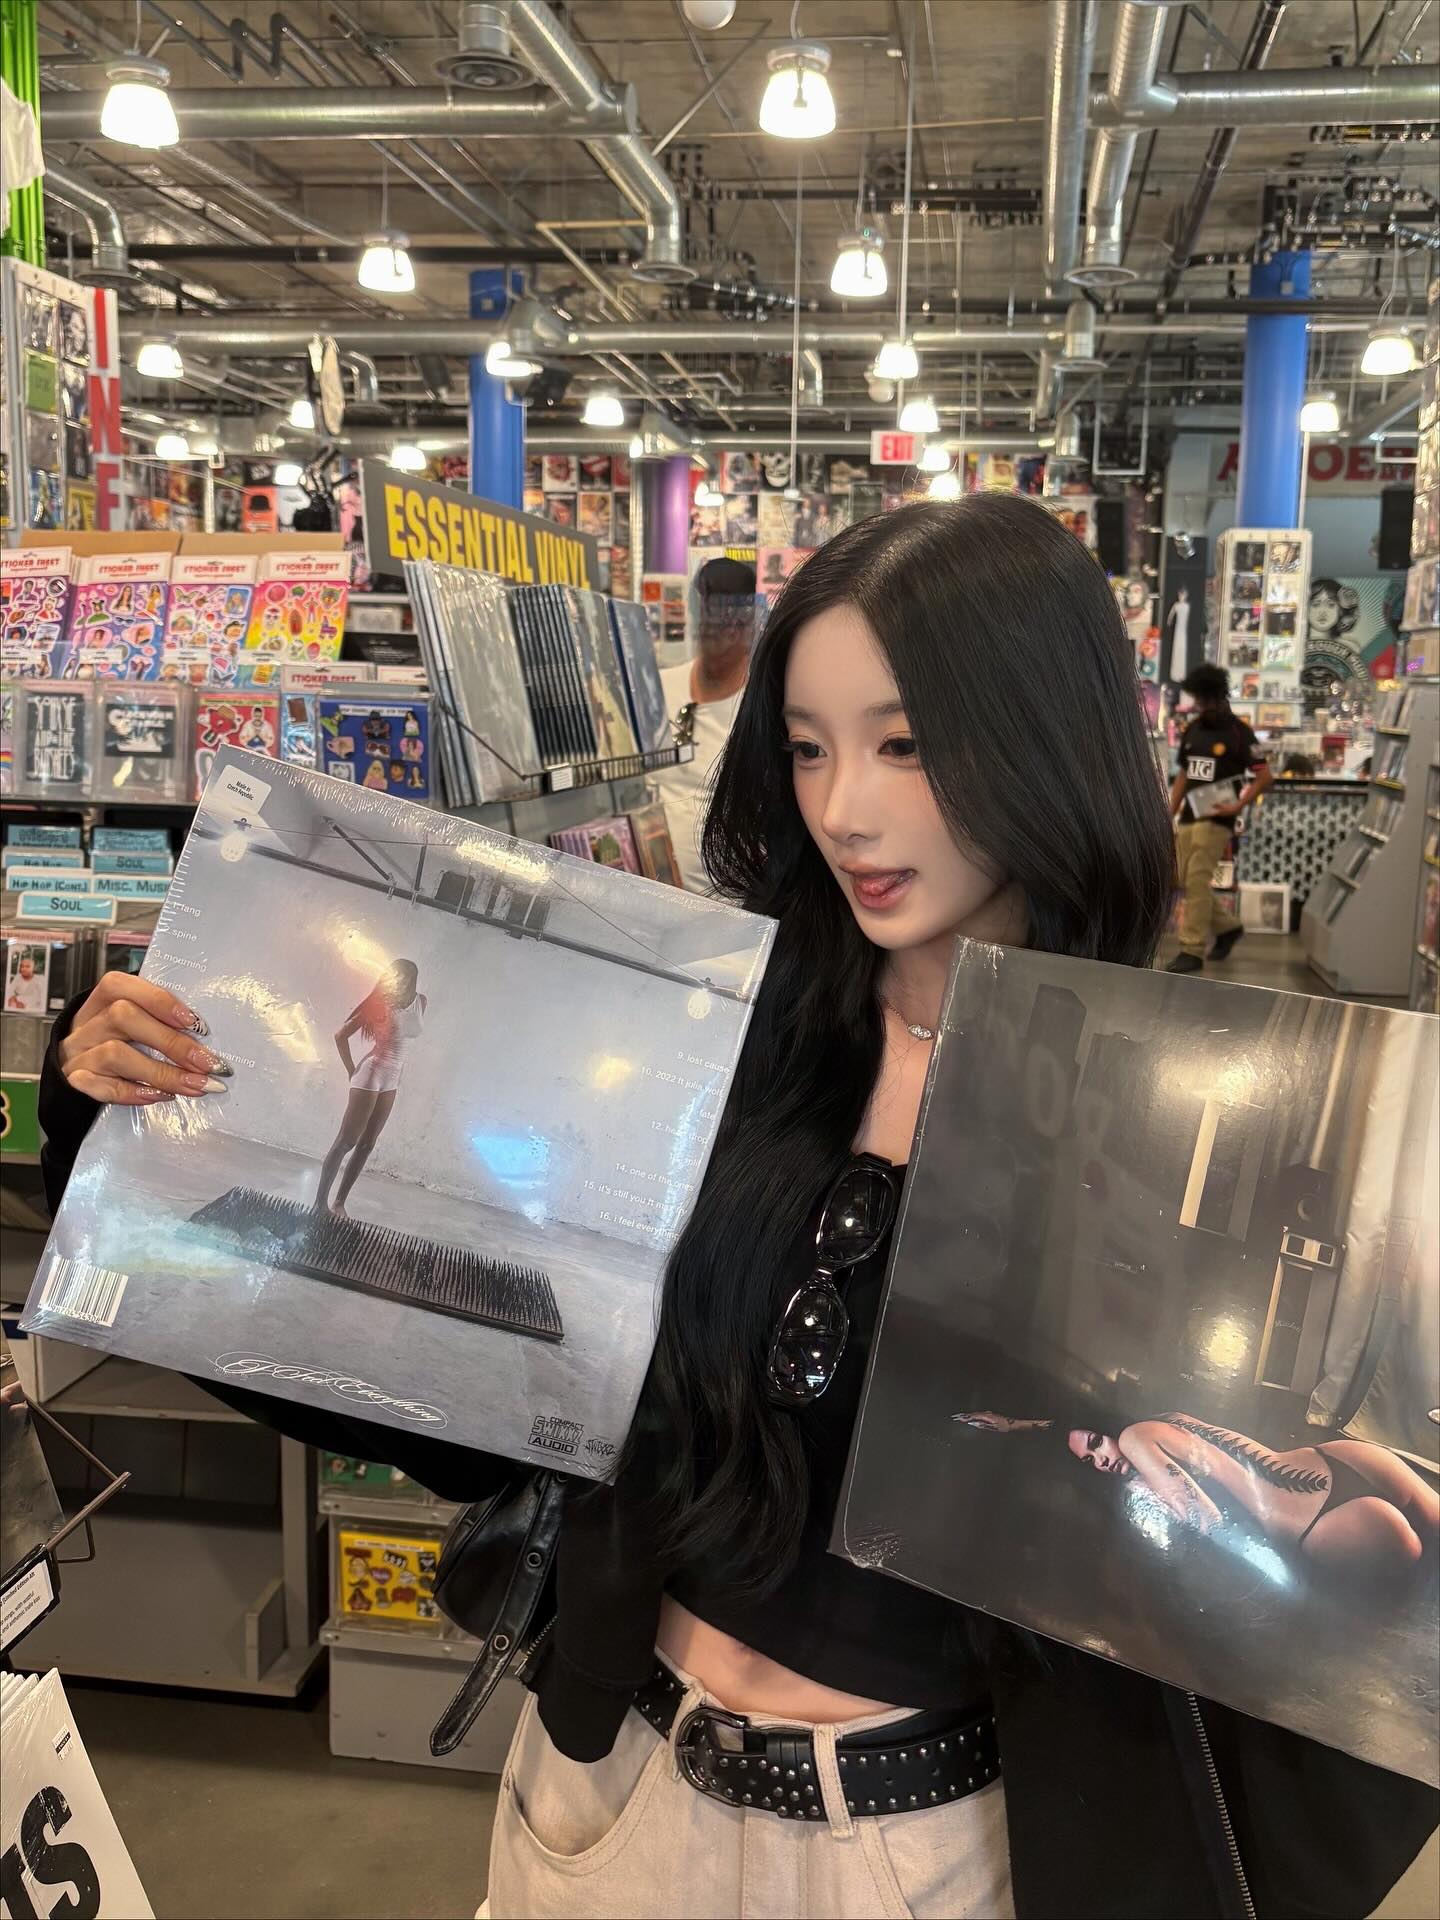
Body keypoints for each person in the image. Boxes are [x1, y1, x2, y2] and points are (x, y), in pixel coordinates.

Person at [39, 500, 1434, 1920]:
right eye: (810, 747)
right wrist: (140, 1125)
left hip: (928, 1855)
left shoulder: (1183, 1115)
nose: (846, 811)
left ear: (1042, 740)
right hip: (610, 1798)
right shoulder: (713, 1036)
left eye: (905, 744)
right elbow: (475, 1398)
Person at [956, 1411, 1438, 1579]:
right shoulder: (1168, 1418)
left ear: (1109, 1427)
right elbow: (1077, 1420)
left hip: (1322, 1524)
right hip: (1341, 1459)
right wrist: (1018, 1425)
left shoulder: (1138, 1441)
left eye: (1098, 1444)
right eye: (1090, 1462)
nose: (1101, 1461)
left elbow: (1210, 1525)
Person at [653, 555, 757, 893]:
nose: (717, 625)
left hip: (727, 905)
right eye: (708, 610)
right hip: (648, 892)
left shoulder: (759, 707)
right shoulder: (658, 687)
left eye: (730, 615)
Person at [1167, 662, 1274, 975]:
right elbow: (1185, 774)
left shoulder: (1240, 733)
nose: (1204, 707)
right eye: (1200, 701)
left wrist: (1237, 806)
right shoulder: (1193, 729)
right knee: (1182, 879)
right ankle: (1228, 927)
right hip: (1190, 814)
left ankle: (1191, 949)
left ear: (1221, 696)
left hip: (1217, 818)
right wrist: (1170, 811)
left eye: (1208, 700)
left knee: (1197, 879)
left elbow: (1264, 777)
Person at [314, 960, 426, 1218]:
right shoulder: (379, 1004)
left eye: (407, 978)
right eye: (399, 977)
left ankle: (339, 1203)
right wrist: (351, 1069)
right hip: (370, 1075)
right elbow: (340, 1035)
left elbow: (407, 1037)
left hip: (392, 1080)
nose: (403, 982)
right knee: (346, 1142)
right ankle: (319, 1204)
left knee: (367, 1145)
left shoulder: (421, 1002)